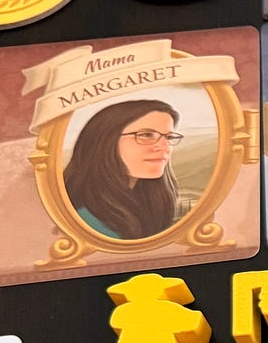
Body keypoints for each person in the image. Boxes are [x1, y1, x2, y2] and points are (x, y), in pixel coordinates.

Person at [64, 99, 184, 241]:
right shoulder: (83, 218)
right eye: (146, 135)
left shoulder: (148, 203)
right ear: (105, 141)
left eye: (169, 137)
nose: (165, 147)